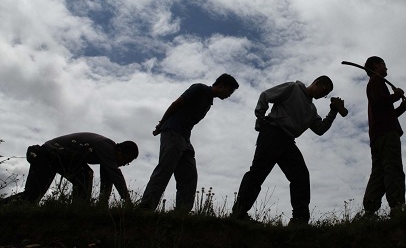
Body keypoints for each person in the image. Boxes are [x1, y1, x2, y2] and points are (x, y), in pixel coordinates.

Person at [231, 75, 346, 225]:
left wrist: (333, 112)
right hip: (272, 133)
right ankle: (239, 214)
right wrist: (260, 116)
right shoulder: (293, 88)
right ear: (317, 83)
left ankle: (299, 219)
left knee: (301, 176)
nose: (322, 96)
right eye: (323, 93)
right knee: (257, 173)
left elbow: (320, 129)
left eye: (325, 96)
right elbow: (266, 95)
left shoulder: (311, 110)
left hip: (288, 141)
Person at [138, 73, 239, 211]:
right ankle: (145, 208)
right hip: (173, 131)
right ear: (222, 85)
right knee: (165, 169)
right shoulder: (199, 89)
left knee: (189, 175)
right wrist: (161, 124)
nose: (229, 95)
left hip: (185, 138)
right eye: (230, 91)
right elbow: (176, 104)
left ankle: (181, 212)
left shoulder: (209, 102)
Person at [0, 133, 138, 205]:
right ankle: (80, 209)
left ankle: (79, 209)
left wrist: (102, 207)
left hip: (57, 156)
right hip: (48, 154)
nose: (124, 164)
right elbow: (115, 175)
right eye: (125, 160)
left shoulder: (107, 154)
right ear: (119, 150)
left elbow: (108, 181)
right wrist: (128, 202)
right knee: (31, 196)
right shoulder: (107, 147)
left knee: (85, 175)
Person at [361, 56, 406, 217]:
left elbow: (387, 112)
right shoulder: (377, 81)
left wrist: (402, 106)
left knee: (379, 172)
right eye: (384, 64)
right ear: (376, 65)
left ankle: (369, 209)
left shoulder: (374, 83)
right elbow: (382, 101)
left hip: (377, 134)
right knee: (393, 168)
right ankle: (397, 207)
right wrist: (396, 95)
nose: (386, 68)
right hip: (386, 134)